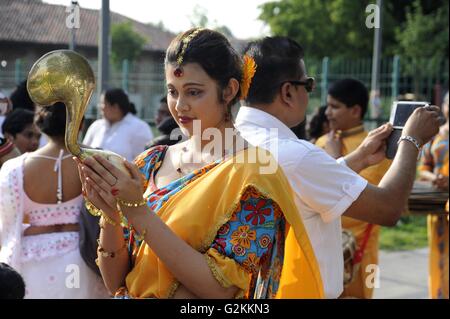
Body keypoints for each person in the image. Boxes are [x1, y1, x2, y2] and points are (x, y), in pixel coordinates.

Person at [76, 28, 324, 299]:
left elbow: (219, 289)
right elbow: (116, 283)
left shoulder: (256, 175)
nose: (180, 106)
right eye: (173, 91)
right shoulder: (150, 163)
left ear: (229, 90)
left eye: (194, 92)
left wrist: (137, 210)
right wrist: (111, 216)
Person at [235, 36, 441, 298]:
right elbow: (389, 208)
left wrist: (358, 158)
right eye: (308, 84)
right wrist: (411, 140)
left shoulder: (232, 141)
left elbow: (304, 187)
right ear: (288, 92)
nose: (314, 98)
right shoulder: (296, 154)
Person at [0, 103, 109, 298]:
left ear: (39, 123)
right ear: (80, 123)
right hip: (83, 257)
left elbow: (7, 228)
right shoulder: (98, 161)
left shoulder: (14, 169)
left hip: (31, 260)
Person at [315, 79, 391, 298]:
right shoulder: (321, 142)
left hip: (358, 250)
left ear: (356, 110)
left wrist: (335, 158)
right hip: (320, 249)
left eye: (335, 106)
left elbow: (356, 199)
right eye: (328, 105)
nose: (327, 112)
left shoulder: (376, 149)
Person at [418, 91, 449, 299]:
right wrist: (434, 178)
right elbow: (423, 168)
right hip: (437, 207)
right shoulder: (436, 135)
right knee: (440, 259)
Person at [83, 88, 154, 162]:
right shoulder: (96, 126)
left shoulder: (139, 128)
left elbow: (144, 161)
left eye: (103, 103)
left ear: (115, 107)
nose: (100, 107)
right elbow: (84, 152)